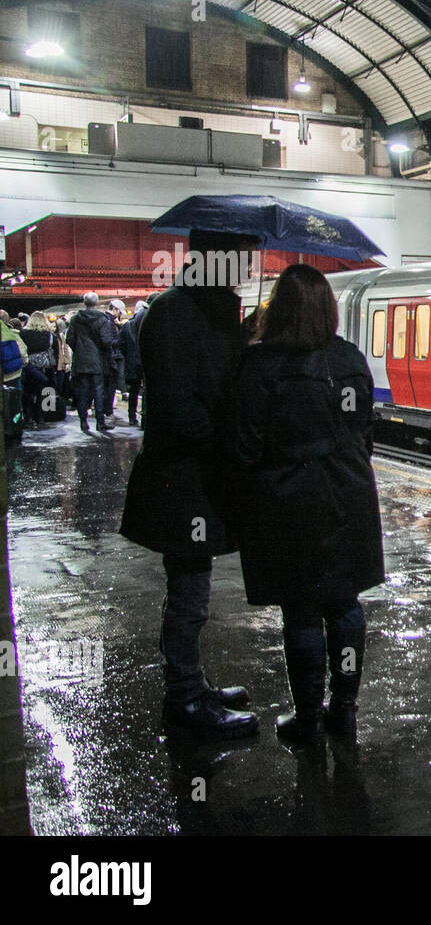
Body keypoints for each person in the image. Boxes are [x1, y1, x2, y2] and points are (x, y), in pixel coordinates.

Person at [232, 264, 383, 743]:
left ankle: (308, 718)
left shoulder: (261, 366)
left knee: (300, 610)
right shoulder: (350, 359)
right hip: (350, 495)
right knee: (345, 604)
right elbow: (364, 433)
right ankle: (345, 709)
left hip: (289, 501)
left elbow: (245, 447)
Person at [120, 230, 261, 740]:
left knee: (191, 586)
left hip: (196, 477)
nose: (249, 268)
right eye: (242, 258)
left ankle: (193, 683)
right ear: (218, 260)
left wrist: (245, 339)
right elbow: (181, 406)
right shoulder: (176, 313)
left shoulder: (204, 310)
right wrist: (229, 449)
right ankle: (184, 698)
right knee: (188, 594)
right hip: (182, 480)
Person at [65, 293, 115, 433]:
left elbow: (69, 339)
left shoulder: (75, 319)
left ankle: (83, 422)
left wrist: (79, 350)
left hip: (81, 362)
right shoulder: (102, 320)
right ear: (97, 303)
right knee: (98, 392)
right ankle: (100, 422)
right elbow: (106, 341)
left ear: (84, 302)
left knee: (83, 392)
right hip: (97, 361)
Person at [19, 309, 59, 429]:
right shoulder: (50, 336)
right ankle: (42, 417)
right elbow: (55, 353)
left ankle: (29, 417)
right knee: (46, 392)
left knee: (27, 393)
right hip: (45, 369)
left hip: (29, 368)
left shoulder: (23, 334)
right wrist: (55, 368)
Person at [118, 301, 147, 425]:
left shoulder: (127, 325)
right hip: (146, 362)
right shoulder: (147, 323)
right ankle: (145, 416)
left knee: (133, 392)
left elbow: (120, 345)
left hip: (132, 362)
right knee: (147, 390)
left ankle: (131, 416)